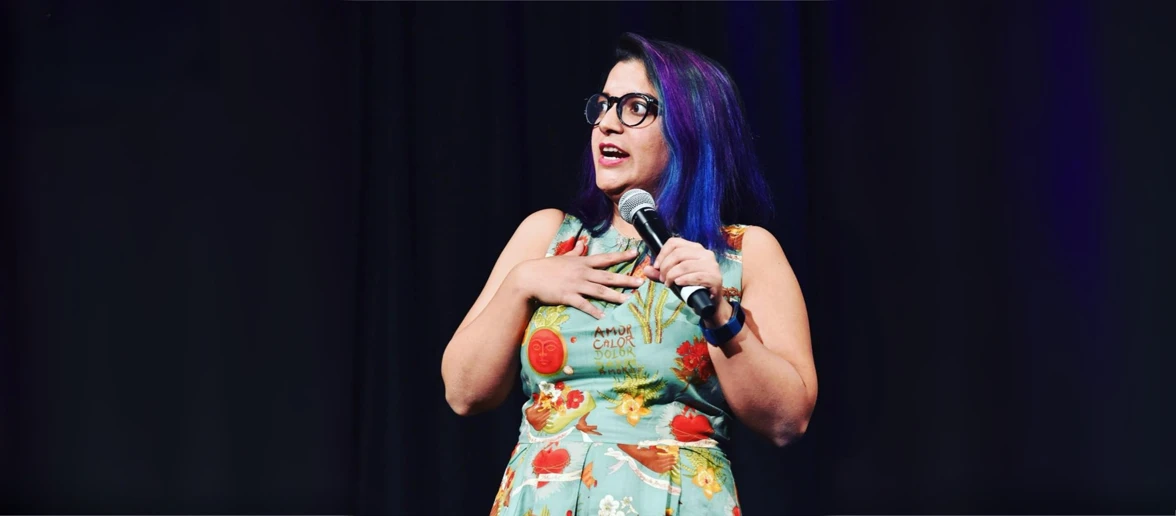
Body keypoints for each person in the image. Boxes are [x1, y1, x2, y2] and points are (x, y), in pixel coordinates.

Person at [441, 33, 816, 516]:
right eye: (603, 106)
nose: (606, 124)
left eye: (635, 108)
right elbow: (462, 393)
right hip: (543, 498)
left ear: (691, 128)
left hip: (674, 498)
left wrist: (720, 315)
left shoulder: (743, 252)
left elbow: (787, 421)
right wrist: (521, 284)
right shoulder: (547, 237)